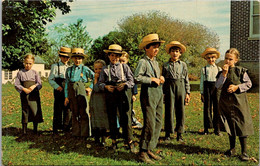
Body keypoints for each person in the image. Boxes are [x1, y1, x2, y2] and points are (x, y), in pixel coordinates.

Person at [216, 48, 254, 161]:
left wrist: (237, 87)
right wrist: (224, 74)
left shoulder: (241, 71)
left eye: (230, 59)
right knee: (230, 125)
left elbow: (249, 84)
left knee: (241, 124)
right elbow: (218, 86)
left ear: (236, 60)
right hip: (226, 103)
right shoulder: (221, 72)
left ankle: (244, 152)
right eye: (226, 58)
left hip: (239, 103)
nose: (227, 61)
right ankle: (232, 148)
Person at [98, 44, 137, 152]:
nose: (114, 58)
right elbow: (100, 83)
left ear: (120, 56)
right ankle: (114, 141)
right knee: (112, 116)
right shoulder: (105, 68)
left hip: (123, 92)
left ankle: (129, 141)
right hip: (111, 93)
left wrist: (124, 85)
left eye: (116, 56)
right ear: (108, 56)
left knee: (126, 117)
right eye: (112, 55)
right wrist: (105, 87)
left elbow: (132, 81)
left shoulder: (124, 67)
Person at [134, 34, 165, 164]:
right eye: (154, 47)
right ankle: (142, 151)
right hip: (148, 93)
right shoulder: (143, 62)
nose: (156, 49)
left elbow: (157, 77)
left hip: (158, 93)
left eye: (158, 47)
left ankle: (150, 148)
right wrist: (151, 79)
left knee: (158, 121)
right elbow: (137, 77)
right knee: (150, 123)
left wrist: (161, 78)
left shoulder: (156, 62)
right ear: (146, 48)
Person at [162, 41, 190, 142]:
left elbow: (186, 79)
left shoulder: (183, 65)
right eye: (173, 51)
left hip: (180, 87)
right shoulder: (165, 65)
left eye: (177, 51)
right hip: (169, 88)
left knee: (180, 111)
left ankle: (179, 133)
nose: (175, 53)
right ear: (169, 53)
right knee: (169, 110)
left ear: (180, 53)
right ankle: (168, 133)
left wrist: (187, 92)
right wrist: (163, 93)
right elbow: (163, 80)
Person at [64, 48, 94, 138]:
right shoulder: (69, 70)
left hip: (81, 90)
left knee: (84, 111)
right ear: (72, 59)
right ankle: (76, 132)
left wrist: (90, 88)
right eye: (76, 58)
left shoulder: (85, 69)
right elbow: (66, 83)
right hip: (71, 91)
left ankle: (85, 133)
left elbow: (95, 77)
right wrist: (66, 96)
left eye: (80, 58)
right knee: (74, 111)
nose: (78, 60)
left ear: (82, 59)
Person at [14, 53, 43, 134]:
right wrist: (23, 89)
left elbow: (39, 83)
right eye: (26, 63)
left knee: (35, 110)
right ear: (24, 62)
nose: (28, 65)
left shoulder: (35, 73)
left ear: (33, 63)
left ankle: (35, 129)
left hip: (34, 95)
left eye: (30, 63)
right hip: (24, 94)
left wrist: (34, 86)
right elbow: (16, 84)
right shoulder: (20, 73)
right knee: (25, 110)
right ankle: (24, 130)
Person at [48, 47, 71, 134]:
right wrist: (57, 86)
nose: (66, 59)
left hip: (67, 89)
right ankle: (56, 128)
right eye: (64, 57)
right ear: (60, 57)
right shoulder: (55, 66)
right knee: (58, 108)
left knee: (67, 108)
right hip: (58, 89)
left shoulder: (69, 67)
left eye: (68, 57)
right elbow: (50, 79)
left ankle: (66, 127)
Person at [200, 48, 222, 136]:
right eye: (208, 58)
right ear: (206, 58)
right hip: (207, 89)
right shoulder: (204, 69)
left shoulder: (219, 69)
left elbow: (221, 81)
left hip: (216, 89)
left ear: (216, 58)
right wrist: (202, 92)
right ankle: (206, 128)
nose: (211, 60)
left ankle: (217, 128)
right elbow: (202, 81)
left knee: (217, 109)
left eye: (212, 57)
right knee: (207, 108)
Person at [119, 51, 143, 129]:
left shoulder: (130, 69)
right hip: (120, 92)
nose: (122, 63)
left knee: (129, 108)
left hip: (129, 91)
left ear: (127, 60)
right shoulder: (117, 70)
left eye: (123, 61)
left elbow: (134, 83)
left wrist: (134, 94)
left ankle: (132, 121)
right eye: (120, 61)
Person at [89, 59, 109, 147]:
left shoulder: (104, 77)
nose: (97, 71)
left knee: (102, 118)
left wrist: (96, 79)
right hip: (95, 99)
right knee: (95, 116)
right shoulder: (94, 78)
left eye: (100, 69)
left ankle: (103, 138)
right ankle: (96, 137)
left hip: (102, 99)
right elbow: (93, 88)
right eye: (96, 69)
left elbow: (97, 88)